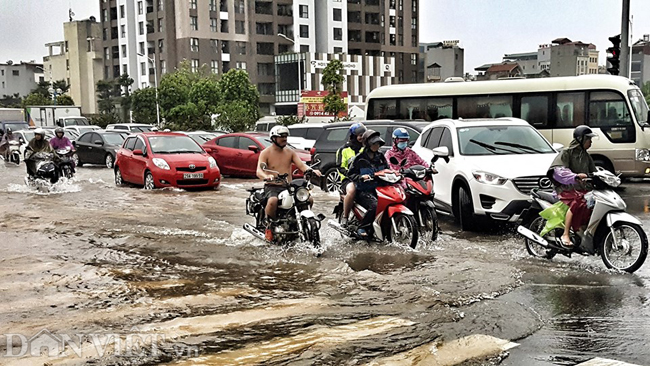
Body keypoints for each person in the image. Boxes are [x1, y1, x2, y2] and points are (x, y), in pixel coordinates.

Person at [256, 125, 322, 229]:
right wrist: (266, 176)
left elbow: (301, 165)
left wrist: (311, 170)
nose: (284, 139)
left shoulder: (290, 152)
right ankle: (270, 224)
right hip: (273, 186)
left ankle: (300, 220)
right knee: (272, 201)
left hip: (288, 186)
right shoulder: (266, 153)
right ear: (274, 138)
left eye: (286, 136)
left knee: (309, 199)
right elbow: (259, 171)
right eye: (282, 136)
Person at [548, 125, 597, 247]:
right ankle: (566, 234)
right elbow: (559, 171)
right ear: (580, 139)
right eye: (588, 140)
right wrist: (574, 176)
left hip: (582, 189)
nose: (590, 142)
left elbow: (595, 172)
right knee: (577, 202)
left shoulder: (586, 156)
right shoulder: (566, 153)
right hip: (566, 189)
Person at [347, 129, 389, 238]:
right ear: (368, 144)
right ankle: (363, 227)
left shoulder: (381, 157)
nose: (377, 146)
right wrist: (361, 177)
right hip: (364, 190)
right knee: (375, 205)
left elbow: (388, 170)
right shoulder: (359, 159)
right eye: (374, 143)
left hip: (379, 188)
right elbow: (350, 174)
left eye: (378, 143)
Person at [336, 122, 367, 226]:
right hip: (348, 180)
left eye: (363, 135)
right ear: (354, 136)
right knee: (352, 190)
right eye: (360, 135)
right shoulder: (343, 150)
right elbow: (340, 167)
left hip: (365, 178)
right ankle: (345, 217)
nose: (362, 138)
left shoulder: (366, 149)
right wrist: (351, 174)